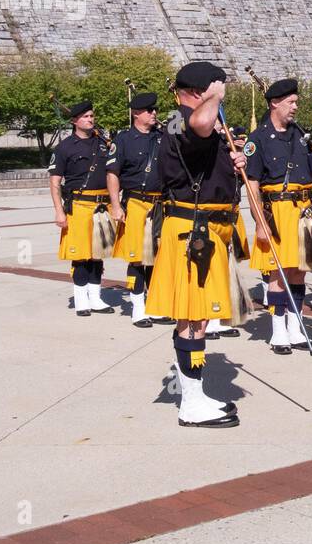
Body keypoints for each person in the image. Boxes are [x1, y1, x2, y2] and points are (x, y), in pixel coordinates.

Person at [145, 62, 245, 428]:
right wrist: (216, 96)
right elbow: (202, 125)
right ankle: (190, 404)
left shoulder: (191, 122)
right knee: (193, 319)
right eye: (217, 89)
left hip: (208, 228)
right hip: (192, 231)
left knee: (198, 317)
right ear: (202, 90)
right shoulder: (184, 118)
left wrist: (232, 162)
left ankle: (196, 395)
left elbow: (203, 150)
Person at [244, 78, 312, 355]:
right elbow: (252, 185)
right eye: (290, 102)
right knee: (278, 274)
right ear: (274, 103)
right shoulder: (257, 140)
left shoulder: (299, 135)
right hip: (276, 211)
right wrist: (260, 223)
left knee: (300, 271)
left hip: (304, 211)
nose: (295, 107)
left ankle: (296, 327)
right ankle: (279, 332)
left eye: (296, 102)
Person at [106, 92, 175, 328]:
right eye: (149, 110)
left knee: (158, 258)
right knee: (137, 258)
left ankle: (154, 305)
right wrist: (116, 206)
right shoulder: (123, 140)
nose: (154, 113)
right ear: (136, 113)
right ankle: (138, 307)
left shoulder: (164, 136)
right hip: (136, 203)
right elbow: (113, 174)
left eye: (155, 109)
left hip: (161, 204)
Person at [49, 101, 116, 317]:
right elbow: (55, 181)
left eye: (92, 116)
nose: (90, 119)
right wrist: (59, 211)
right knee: (80, 255)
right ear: (75, 121)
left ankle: (95, 298)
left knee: (98, 254)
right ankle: (81, 300)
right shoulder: (65, 147)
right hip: (78, 205)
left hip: (102, 205)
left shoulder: (103, 143)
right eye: (86, 116)